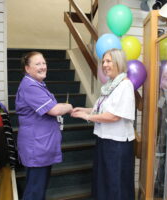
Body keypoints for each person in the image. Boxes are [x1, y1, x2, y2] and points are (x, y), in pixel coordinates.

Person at [71, 48, 135, 200]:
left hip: (117, 143)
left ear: (118, 62)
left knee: (114, 182)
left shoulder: (125, 85)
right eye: (103, 61)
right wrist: (86, 109)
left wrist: (87, 116)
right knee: (103, 179)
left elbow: (114, 116)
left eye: (108, 61)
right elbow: (102, 109)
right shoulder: (110, 85)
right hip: (104, 139)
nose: (104, 65)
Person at [15, 51, 73, 200]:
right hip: (37, 147)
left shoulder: (38, 84)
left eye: (44, 63)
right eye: (37, 64)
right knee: (34, 191)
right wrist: (69, 106)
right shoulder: (30, 86)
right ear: (27, 69)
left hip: (42, 146)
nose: (43, 66)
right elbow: (54, 110)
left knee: (38, 190)